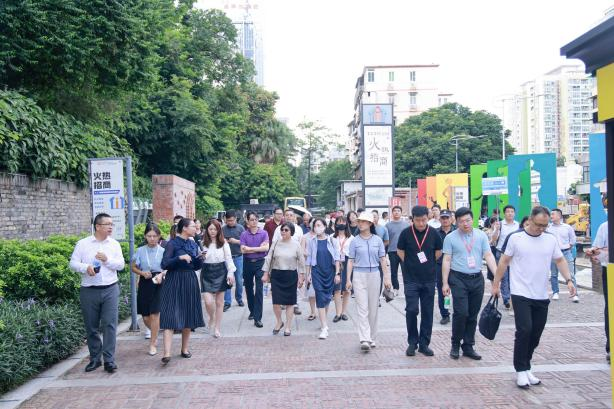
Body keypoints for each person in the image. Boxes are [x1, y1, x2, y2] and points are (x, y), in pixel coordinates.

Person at [492, 206, 576, 389]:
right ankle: (520, 370)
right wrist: (496, 284)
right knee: (524, 330)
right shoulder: (516, 238)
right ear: (530, 219)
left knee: (536, 333)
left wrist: (569, 280)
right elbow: (504, 261)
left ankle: (527, 364)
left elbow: (560, 260)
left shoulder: (550, 239)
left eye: (544, 225)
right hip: (520, 292)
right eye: (538, 224)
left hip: (540, 293)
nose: (541, 228)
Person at [69, 213, 125, 373]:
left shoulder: (114, 244)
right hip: (89, 290)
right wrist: (85, 267)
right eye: (107, 224)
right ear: (98, 226)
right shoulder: (83, 244)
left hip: (110, 289)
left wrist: (107, 260)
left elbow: (121, 265)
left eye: (112, 224)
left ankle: (109, 360)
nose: (110, 227)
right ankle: (95, 359)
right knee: (91, 327)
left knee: (109, 325)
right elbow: (73, 263)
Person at [441, 207, 498, 360]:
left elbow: (488, 255)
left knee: (472, 314)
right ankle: (455, 344)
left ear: (472, 219)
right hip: (458, 278)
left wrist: (497, 277)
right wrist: (445, 283)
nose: (465, 224)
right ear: (456, 222)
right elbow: (446, 260)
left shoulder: (481, 236)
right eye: (461, 221)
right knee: (461, 312)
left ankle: (468, 345)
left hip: (477, 279)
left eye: (468, 220)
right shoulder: (450, 238)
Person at [397, 206, 443, 357]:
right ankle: (412, 342)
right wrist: (410, 264)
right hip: (411, 279)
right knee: (411, 309)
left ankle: (424, 344)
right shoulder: (405, 233)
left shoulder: (434, 233)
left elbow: (438, 252)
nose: (421, 223)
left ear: (427, 218)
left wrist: (427, 265)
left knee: (428, 312)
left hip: (429, 279)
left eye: (424, 220)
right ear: (412, 219)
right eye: (418, 220)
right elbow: (400, 251)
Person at [158, 218, 205, 364]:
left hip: (190, 280)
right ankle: (166, 353)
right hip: (174, 280)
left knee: (188, 313)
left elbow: (195, 266)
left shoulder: (193, 243)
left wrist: (200, 259)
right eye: (192, 226)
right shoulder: (172, 243)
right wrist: (179, 258)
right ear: (184, 228)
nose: (195, 228)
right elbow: (164, 263)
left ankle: (184, 349)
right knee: (170, 313)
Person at [346, 212, 390, 351]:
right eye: (359, 221)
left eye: (364, 221)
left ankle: (372, 337)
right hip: (359, 275)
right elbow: (350, 261)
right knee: (362, 308)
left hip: (375, 275)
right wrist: (348, 279)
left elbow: (383, 260)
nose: (360, 224)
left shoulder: (377, 240)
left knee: (373, 308)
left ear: (370, 224)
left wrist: (387, 279)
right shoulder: (354, 241)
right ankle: (364, 338)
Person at [262, 222, 305, 336]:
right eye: (282, 230)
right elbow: (269, 258)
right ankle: (279, 321)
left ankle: (288, 326)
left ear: (291, 232)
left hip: (290, 275)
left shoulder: (296, 245)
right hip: (277, 275)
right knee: (276, 302)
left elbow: (301, 262)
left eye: (286, 230)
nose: (283, 232)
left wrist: (301, 276)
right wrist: (265, 273)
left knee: (290, 303)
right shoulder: (275, 243)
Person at [305, 218, 342, 339]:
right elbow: (309, 259)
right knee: (320, 296)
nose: (317, 228)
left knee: (327, 297)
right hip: (317, 272)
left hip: (329, 272)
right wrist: (308, 275)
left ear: (325, 226)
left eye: (319, 225)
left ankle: (323, 320)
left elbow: (337, 258)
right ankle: (324, 327)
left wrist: (337, 273)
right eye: (315, 226)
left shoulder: (332, 240)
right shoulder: (311, 241)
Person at [131, 223, 164, 356]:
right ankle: (156, 331)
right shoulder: (140, 250)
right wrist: (142, 273)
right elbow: (133, 267)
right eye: (149, 236)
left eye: (154, 236)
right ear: (145, 236)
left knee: (155, 313)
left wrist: (162, 274)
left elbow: (167, 266)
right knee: (145, 316)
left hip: (159, 281)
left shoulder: (163, 251)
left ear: (159, 236)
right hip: (145, 281)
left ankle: (153, 343)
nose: (152, 239)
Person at [200, 219, 236, 338]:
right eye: (210, 229)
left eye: (215, 229)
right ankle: (211, 317)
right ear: (207, 230)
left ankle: (217, 328)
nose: (213, 231)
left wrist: (230, 273)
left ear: (219, 230)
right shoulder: (202, 243)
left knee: (220, 303)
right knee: (208, 301)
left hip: (220, 271)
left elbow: (229, 259)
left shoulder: (224, 243)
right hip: (206, 272)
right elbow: (198, 260)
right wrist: (201, 257)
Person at [585, 212, 609, 361]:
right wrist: (594, 254)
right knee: (611, 308)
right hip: (610, 271)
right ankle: (611, 347)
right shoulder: (605, 227)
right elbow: (596, 251)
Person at [240, 211, 270, 328]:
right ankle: (252, 310)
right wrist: (259, 248)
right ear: (247, 221)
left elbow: (266, 248)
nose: (254, 221)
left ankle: (258, 318)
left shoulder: (264, 233)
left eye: (255, 219)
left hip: (260, 263)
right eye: (251, 219)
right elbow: (243, 250)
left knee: (259, 289)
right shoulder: (243, 234)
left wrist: (250, 248)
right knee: (248, 288)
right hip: (247, 263)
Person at [491, 205, 519, 311]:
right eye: (508, 211)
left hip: (514, 255)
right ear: (504, 213)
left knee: (514, 276)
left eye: (512, 211)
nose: (510, 213)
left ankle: (515, 297)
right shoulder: (500, 224)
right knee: (504, 277)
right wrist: (496, 229)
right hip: (501, 253)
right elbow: (493, 239)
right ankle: (506, 299)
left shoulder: (518, 225)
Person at [547, 208, 578, 302]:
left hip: (566, 252)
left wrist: (567, 247)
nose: (551, 216)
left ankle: (574, 294)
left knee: (571, 274)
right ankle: (555, 292)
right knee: (554, 274)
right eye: (550, 214)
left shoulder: (567, 227)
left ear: (559, 216)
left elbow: (573, 240)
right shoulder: (548, 227)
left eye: (553, 214)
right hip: (553, 254)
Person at [331, 216, 354, 322]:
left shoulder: (352, 238)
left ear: (346, 224)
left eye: (343, 222)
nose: (341, 223)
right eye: (339, 222)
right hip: (335, 264)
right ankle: (338, 313)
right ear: (335, 224)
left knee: (346, 289)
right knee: (336, 289)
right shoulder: (331, 237)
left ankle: (344, 312)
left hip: (347, 263)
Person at [435, 210, 455, 324]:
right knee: (443, 291)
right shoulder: (436, 233)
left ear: (451, 218)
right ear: (440, 219)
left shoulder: (457, 231)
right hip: (440, 265)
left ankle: (458, 312)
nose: (445, 220)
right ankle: (445, 314)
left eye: (447, 217)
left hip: (456, 266)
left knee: (458, 290)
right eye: (443, 218)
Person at [222, 211, 245, 312]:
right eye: (228, 221)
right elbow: (219, 241)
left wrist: (235, 241)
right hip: (226, 258)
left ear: (236, 218)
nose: (230, 222)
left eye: (232, 220)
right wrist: (224, 241)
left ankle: (239, 298)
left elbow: (245, 242)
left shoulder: (241, 228)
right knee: (228, 279)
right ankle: (227, 302)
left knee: (239, 280)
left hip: (238, 257)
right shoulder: (222, 229)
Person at [386, 205, 410, 296]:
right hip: (392, 251)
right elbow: (386, 239)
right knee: (393, 271)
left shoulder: (406, 224)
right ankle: (396, 288)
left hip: (404, 251)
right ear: (392, 213)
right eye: (395, 211)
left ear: (401, 213)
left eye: (398, 211)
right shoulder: (388, 225)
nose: (396, 212)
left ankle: (407, 288)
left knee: (405, 271)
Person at [485, 217, 500, 282]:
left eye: (497, 223)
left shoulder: (500, 231)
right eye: (494, 223)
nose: (495, 225)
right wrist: (491, 241)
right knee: (491, 268)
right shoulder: (487, 232)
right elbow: (485, 244)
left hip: (498, 250)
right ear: (491, 224)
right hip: (491, 250)